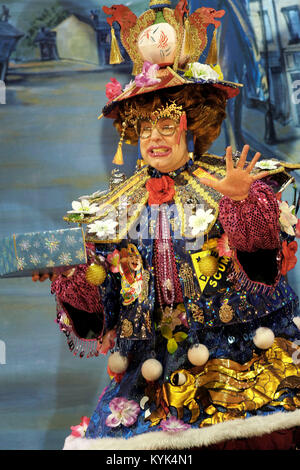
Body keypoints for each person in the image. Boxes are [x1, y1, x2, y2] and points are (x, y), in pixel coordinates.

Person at [34, 1, 300, 450]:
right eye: (144, 128)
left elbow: (263, 272)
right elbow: (100, 319)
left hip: (242, 371)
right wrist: (72, 280)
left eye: (166, 125)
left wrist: (241, 205)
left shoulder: (233, 182)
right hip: (150, 387)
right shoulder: (108, 210)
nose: (153, 138)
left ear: (193, 124)